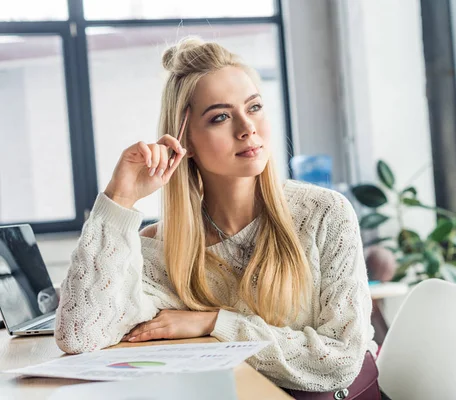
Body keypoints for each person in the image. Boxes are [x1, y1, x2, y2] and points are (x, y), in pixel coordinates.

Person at [55, 37, 377, 394]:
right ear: (184, 141)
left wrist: (215, 323)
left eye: (254, 107)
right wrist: (120, 199)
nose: (246, 128)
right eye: (220, 116)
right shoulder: (161, 251)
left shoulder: (323, 213)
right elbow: (80, 334)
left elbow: (342, 360)